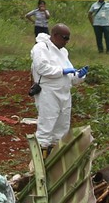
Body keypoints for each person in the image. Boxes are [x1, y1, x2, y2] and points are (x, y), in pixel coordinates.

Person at [30, 23, 88, 157]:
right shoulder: (41, 48)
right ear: (55, 35)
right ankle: (40, 162)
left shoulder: (63, 52)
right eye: (65, 38)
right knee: (47, 126)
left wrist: (79, 75)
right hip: (48, 93)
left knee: (62, 129)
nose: (67, 41)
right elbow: (42, 68)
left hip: (64, 93)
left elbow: (70, 76)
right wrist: (62, 71)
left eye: (69, 38)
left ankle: (56, 161)